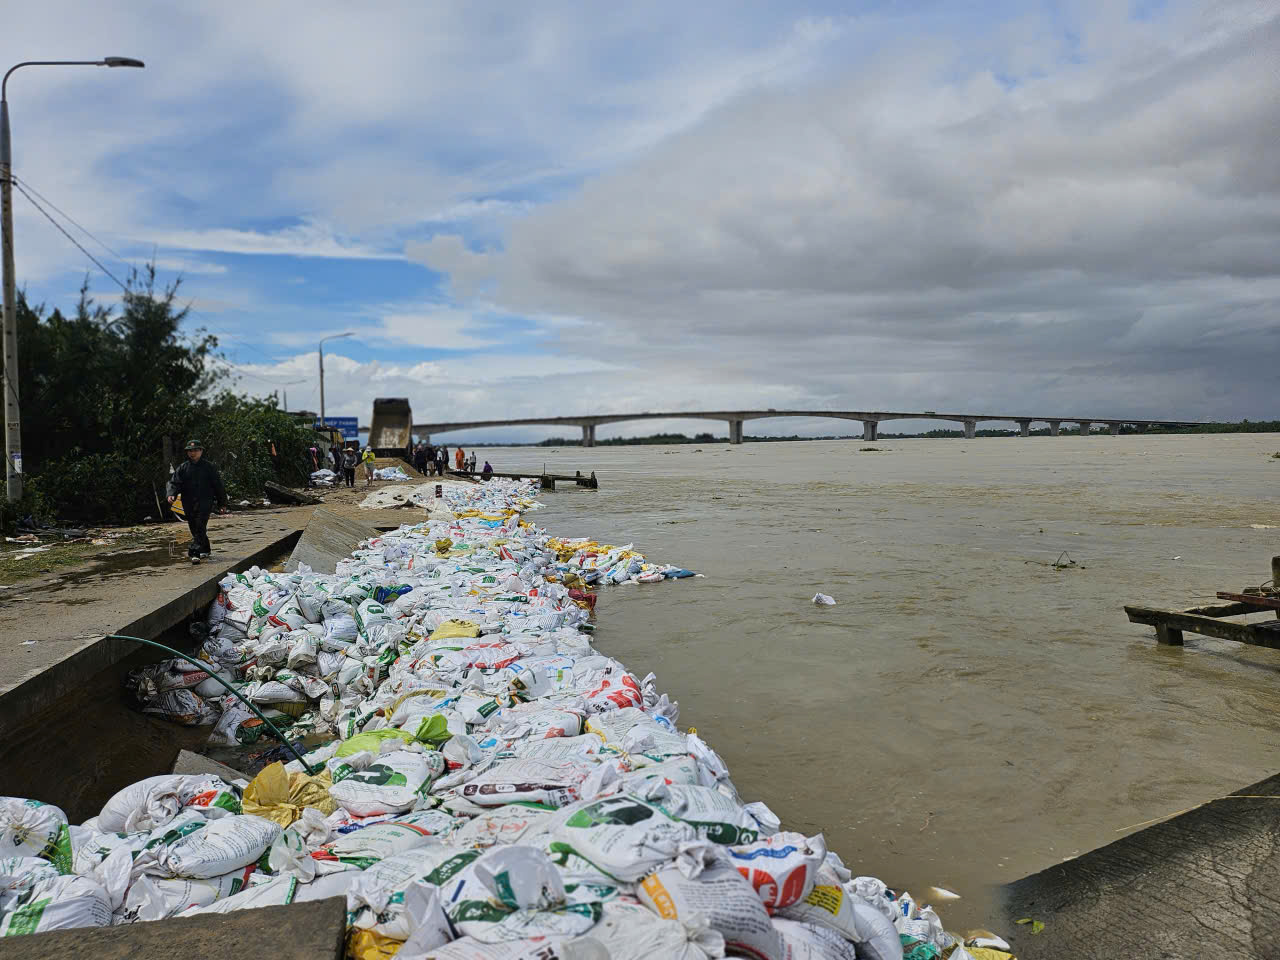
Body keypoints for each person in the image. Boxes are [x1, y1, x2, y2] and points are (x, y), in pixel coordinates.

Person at [166, 440, 228, 564]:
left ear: (201, 451)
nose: (192, 453)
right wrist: (171, 494)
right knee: (194, 526)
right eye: (190, 451)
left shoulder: (209, 467)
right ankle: (205, 548)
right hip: (188, 502)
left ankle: (194, 552)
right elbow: (174, 483)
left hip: (205, 501)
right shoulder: (183, 468)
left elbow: (218, 486)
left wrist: (222, 503)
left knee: (200, 524)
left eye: (195, 450)